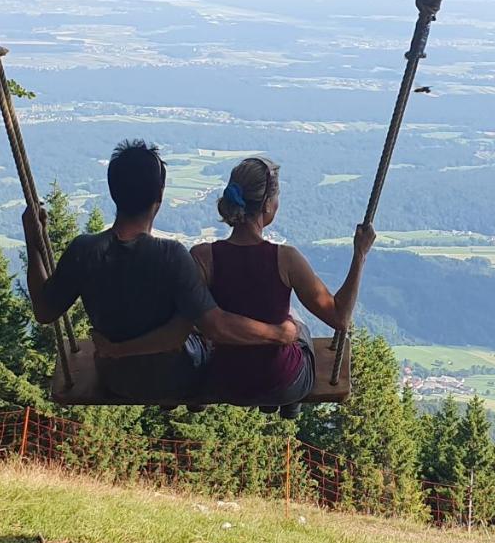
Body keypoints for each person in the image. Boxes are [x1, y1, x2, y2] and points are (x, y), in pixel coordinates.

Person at [97, 156, 375, 419]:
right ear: (267, 205)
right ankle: (290, 404)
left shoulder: (203, 257)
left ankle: (221, 396)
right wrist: (360, 255)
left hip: (226, 382)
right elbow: (340, 318)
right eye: (277, 198)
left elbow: (182, 322)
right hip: (282, 381)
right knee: (298, 324)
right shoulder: (286, 259)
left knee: (204, 324)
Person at [22, 140, 299, 405]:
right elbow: (210, 326)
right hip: (177, 379)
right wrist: (278, 333)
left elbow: (44, 312)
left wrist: (34, 239)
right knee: (199, 331)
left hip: (116, 378)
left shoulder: (84, 250)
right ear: (160, 195)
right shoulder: (171, 255)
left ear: (113, 190)